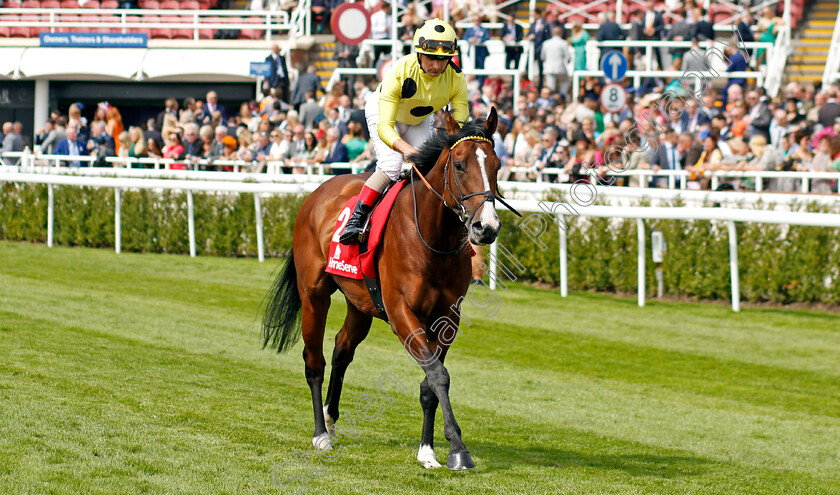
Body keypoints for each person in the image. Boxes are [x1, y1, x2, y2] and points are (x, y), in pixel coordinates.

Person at [339, 19, 468, 244]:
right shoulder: (399, 70)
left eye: (443, 60)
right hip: (384, 113)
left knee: (429, 167)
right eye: (431, 58)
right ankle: (357, 219)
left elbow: (459, 126)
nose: (437, 66)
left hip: (418, 118)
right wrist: (405, 149)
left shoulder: (457, 78)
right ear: (418, 53)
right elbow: (386, 128)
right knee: (391, 164)